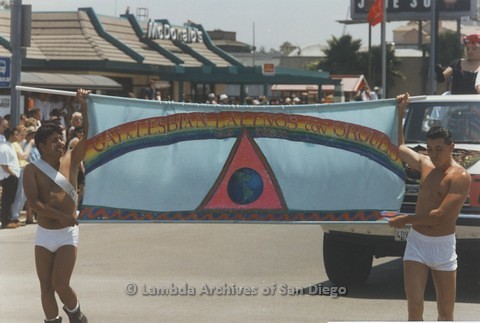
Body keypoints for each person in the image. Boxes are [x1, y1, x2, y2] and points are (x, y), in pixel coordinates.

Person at [389, 93, 471, 321]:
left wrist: (403, 220)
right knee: (414, 309)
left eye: (439, 149)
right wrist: (400, 113)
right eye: (430, 149)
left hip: (443, 246)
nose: (434, 155)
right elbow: (400, 147)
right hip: (417, 243)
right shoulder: (425, 164)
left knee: (445, 313)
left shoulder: (460, 177)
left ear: (451, 146)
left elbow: (439, 217)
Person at [23, 89, 90, 323]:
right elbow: (34, 203)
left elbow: (89, 135)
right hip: (44, 234)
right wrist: (57, 216)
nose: (60, 143)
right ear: (41, 145)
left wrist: (83, 104)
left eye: (61, 138)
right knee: (45, 287)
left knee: (60, 284)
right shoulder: (31, 170)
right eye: (54, 140)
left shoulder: (71, 159)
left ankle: (77, 315)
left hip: (66, 234)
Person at [0, 128, 21, 229]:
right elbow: (4, 165)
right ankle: (5, 221)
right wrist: (12, 174)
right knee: (6, 199)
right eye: (16, 134)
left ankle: (8, 219)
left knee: (10, 199)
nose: (17, 136)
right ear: (11, 136)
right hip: (8, 177)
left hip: (13, 176)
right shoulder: (4, 148)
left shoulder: (11, 146)